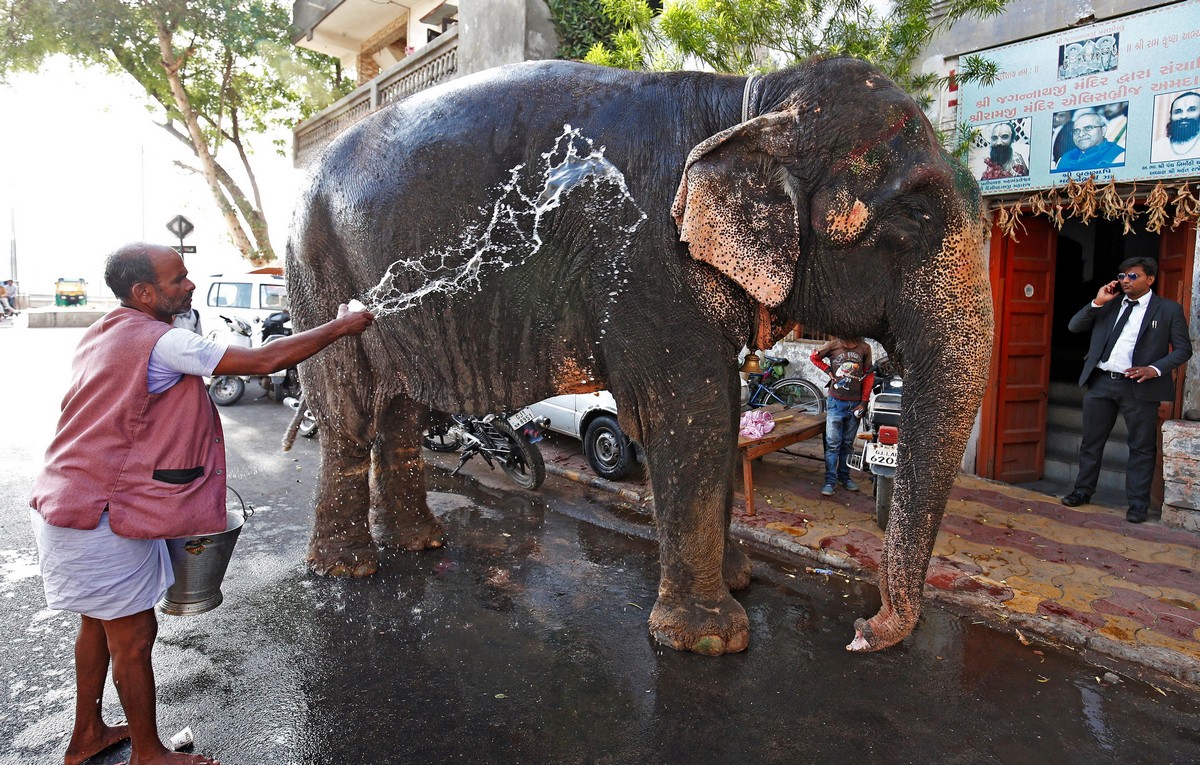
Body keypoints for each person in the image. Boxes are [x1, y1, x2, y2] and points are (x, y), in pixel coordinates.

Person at [28, 242, 374, 765]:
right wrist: (342, 326)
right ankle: (149, 754)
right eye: (178, 279)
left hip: (71, 501)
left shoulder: (107, 329)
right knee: (135, 634)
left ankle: (88, 734)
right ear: (143, 293)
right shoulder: (163, 342)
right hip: (97, 512)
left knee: (98, 623)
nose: (190, 285)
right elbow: (265, 359)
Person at [1061, 257, 1192, 523]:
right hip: (1101, 382)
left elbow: (1183, 349)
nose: (1125, 281)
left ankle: (1137, 504)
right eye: (1122, 276)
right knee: (1091, 442)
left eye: (1133, 276)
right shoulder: (1108, 305)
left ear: (1150, 279)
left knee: (1142, 447)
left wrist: (1153, 369)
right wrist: (1098, 301)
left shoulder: (1167, 310)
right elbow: (1074, 326)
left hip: (1139, 386)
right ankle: (1082, 491)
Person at [810, 337, 873, 496]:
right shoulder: (833, 345)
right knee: (832, 444)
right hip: (835, 403)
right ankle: (830, 480)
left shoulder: (864, 348)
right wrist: (828, 371)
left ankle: (844, 477)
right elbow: (814, 357)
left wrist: (864, 402)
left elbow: (868, 376)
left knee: (847, 444)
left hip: (855, 404)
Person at [1054, 112, 1125, 172]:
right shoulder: (1064, 159)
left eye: (1088, 128)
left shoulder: (1119, 155)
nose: (1081, 134)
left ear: (1103, 130)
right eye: (1076, 131)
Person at [1151, 91, 1200, 162]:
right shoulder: (1158, 147)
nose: (1184, 116)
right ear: (1171, 116)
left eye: (1192, 110)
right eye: (1178, 111)